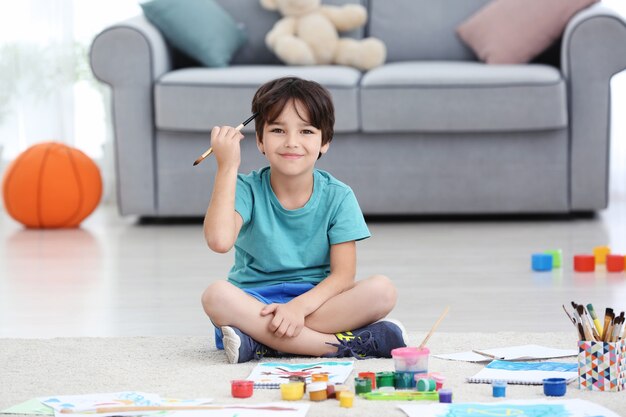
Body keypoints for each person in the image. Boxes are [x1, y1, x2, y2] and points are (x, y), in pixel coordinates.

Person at [201, 77, 406, 364]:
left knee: (383, 290)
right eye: (277, 130)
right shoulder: (246, 189)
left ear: (325, 142)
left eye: (306, 131)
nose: (292, 142)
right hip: (255, 306)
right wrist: (227, 167)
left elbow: (343, 276)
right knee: (215, 296)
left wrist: (297, 309)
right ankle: (337, 346)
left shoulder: (339, 196)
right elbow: (219, 241)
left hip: (316, 306)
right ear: (259, 140)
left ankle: (261, 343)